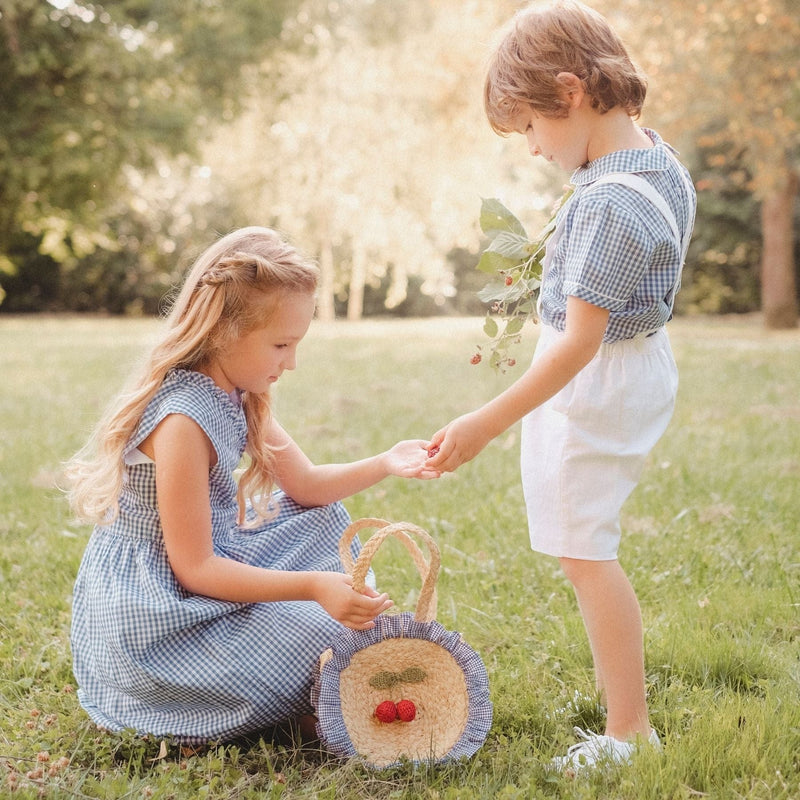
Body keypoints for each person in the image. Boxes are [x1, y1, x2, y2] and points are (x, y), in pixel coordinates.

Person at [426, 0, 695, 773]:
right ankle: (628, 723)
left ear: (571, 92)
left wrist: (485, 420)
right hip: (630, 365)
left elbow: (578, 343)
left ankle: (630, 732)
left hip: (595, 382)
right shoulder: (651, 161)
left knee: (584, 550)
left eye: (532, 130)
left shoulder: (608, 202)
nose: (535, 151)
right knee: (585, 541)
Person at [66, 226, 439, 745]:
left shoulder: (237, 393)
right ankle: (297, 682)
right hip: (161, 621)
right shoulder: (182, 422)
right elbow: (194, 569)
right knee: (327, 636)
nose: (291, 362)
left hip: (207, 573)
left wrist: (386, 461)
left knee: (323, 517)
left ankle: (313, 667)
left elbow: (307, 486)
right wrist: (311, 587)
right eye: (281, 345)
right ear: (222, 332)